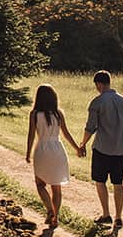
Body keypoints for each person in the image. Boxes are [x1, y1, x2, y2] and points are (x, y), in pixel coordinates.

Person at [77, 69, 123, 231]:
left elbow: (91, 127)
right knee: (118, 182)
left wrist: (82, 144)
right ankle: (119, 217)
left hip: (102, 148)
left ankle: (106, 214)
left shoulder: (97, 102)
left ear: (98, 84)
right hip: (120, 149)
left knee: (100, 181)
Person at [24, 83, 81, 229]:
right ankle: (55, 217)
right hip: (57, 150)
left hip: (42, 149)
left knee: (40, 184)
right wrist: (77, 148)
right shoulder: (58, 113)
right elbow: (66, 134)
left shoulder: (34, 114)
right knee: (56, 187)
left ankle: (49, 209)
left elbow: (31, 135)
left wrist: (28, 153)